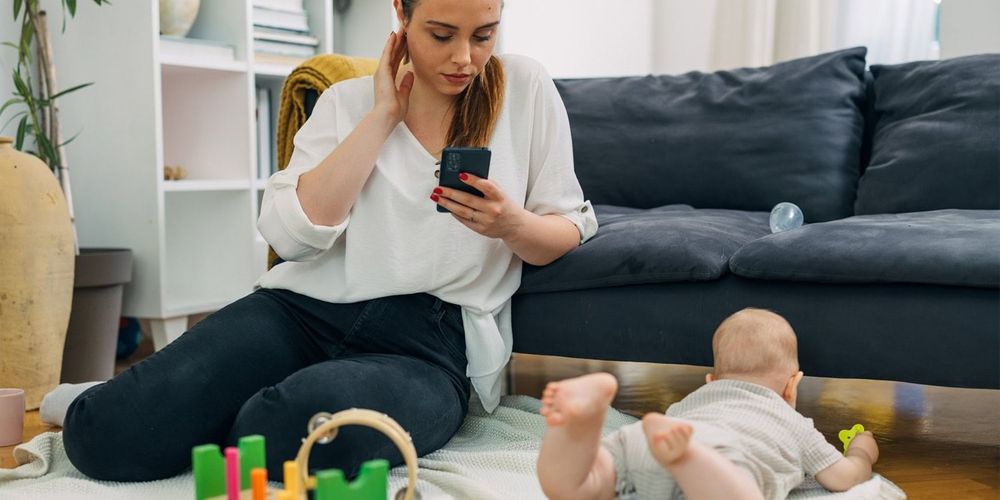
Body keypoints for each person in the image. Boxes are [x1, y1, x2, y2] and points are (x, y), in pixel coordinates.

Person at [52, 0, 597, 481]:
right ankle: (167, 405)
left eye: (483, 35)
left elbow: (567, 227)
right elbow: (292, 237)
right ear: (401, 17)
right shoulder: (347, 102)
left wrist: (510, 225)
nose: (463, 57)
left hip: (429, 346)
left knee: (284, 435)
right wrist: (383, 115)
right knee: (102, 435)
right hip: (299, 312)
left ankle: (232, 410)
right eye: (440, 33)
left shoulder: (525, 88)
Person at [536, 308, 880, 500]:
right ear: (792, 387)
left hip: (644, 444)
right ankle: (688, 460)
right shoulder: (795, 425)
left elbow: (670, 429)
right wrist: (862, 451)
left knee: (579, 488)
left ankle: (581, 423)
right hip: (719, 457)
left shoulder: (693, 403)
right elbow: (843, 479)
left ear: (711, 382)